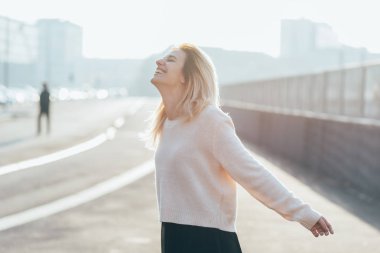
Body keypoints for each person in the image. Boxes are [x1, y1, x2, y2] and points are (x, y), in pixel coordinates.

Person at [149, 43, 334, 253]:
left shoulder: (210, 121)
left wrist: (304, 213)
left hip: (207, 240)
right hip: (174, 237)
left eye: (171, 59)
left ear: (187, 77)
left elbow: (253, 173)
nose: (159, 61)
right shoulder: (167, 123)